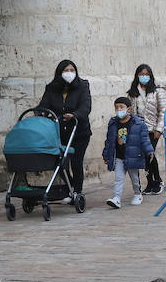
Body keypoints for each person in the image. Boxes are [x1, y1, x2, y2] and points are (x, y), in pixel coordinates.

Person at [39, 59, 93, 194]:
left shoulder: (83, 86)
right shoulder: (51, 88)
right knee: (60, 163)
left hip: (79, 132)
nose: (69, 73)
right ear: (59, 73)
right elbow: (43, 105)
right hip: (60, 132)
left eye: (72, 70)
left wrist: (74, 115)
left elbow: (86, 107)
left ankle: (77, 192)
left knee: (76, 162)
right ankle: (70, 187)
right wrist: (40, 113)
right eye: (66, 71)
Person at [103, 96, 154, 209]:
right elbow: (109, 141)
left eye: (121, 107)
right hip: (119, 157)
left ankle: (137, 194)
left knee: (134, 178)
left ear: (129, 109)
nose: (119, 110)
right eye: (116, 108)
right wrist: (106, 155)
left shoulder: (138, 124)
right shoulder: (113, 124)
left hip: (132, 156)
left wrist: (149, 151)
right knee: (118, 178)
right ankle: (116, 198)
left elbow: (144, 139)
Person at [128, 64, 166, 194]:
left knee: (150, 154)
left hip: (152, 129)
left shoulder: (157, 91)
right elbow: (130, 111)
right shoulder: (133, 93)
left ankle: (158, 181)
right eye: (141, 74)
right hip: (138, 129)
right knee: (144, 157)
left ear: (150, 76)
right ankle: (150, 183)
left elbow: (163, 111)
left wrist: (159, 129)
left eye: (146, 74)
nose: (143, 76)